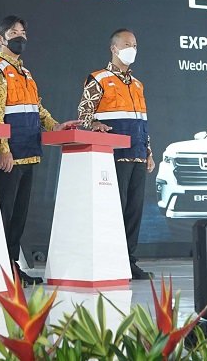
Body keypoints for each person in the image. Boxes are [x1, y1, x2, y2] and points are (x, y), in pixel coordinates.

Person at [0, 15, 79, 286]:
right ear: (0, 39)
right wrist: (3, 150)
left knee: (18, 217)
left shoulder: (25, 73)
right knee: (3, 215)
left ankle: (12, 268)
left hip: (28, 153)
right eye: (13, 32)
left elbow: (37, 108)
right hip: (8, 158)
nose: (20, 37)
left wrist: (55, 125)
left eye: (22, 32)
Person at [77, 28, 156, 280]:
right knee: (114, 210)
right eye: (127, 44)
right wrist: (94, 125)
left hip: (137, 154)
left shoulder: (137, 84)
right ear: (114, 48)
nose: (132, 49)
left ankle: (129, 261)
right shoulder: (99, 79)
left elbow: (142, 121)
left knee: (134, 211)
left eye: (135, 45)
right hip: (113, 155)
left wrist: (149, 151)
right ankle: (110, 261)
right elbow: (84, 114)